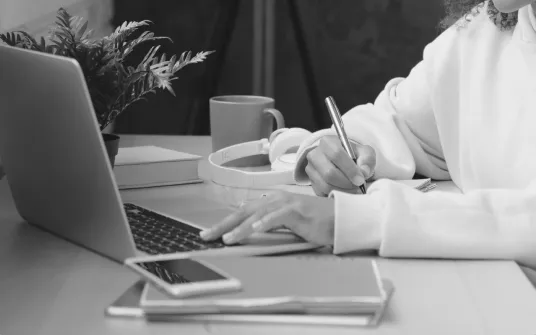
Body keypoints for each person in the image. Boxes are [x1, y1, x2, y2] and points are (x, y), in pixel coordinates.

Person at [200, 0, 536, 280]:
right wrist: (344, 150)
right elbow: (403, 123)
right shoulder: (485, 31)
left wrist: (357, 220)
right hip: (485, 290)